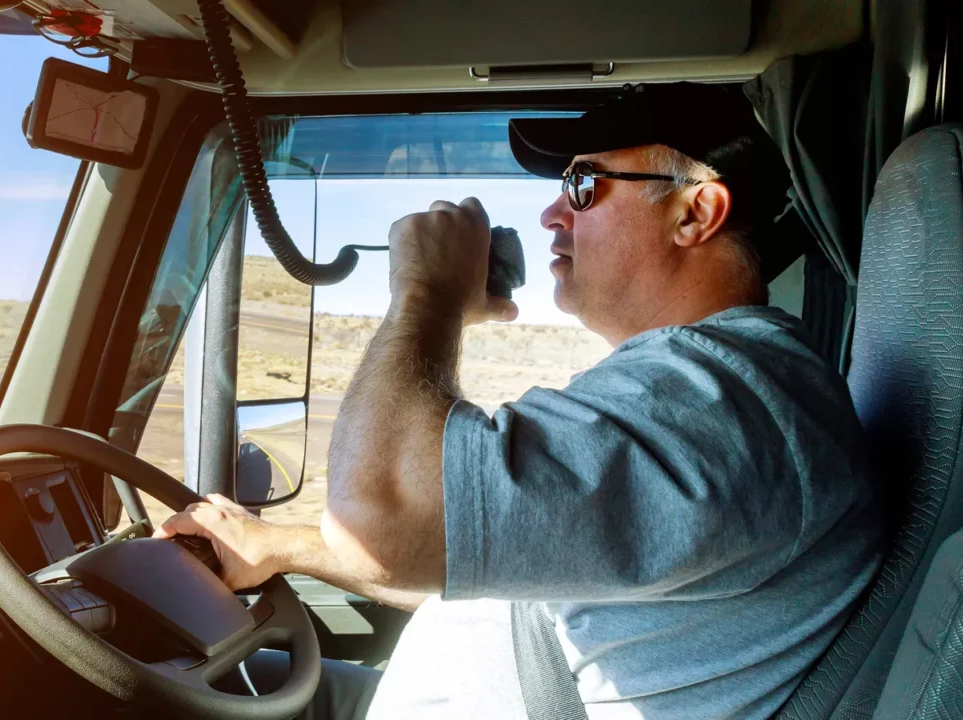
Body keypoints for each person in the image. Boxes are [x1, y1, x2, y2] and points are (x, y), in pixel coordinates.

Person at [154, 83, 883, 719]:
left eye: (583, 187)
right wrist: (283, 546)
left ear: (695, 214)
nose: (549, 217)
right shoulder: (718, 396)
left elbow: (378, 517)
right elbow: (516, 560)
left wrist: (427, 293)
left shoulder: (715, 401)